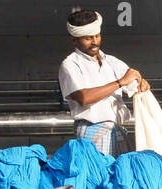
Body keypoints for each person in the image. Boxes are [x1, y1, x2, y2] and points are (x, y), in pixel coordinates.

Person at [58, 9, 150, 156]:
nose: (95, 42)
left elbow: (134, 83)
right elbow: (84, 97)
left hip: (118, 130)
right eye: (88, 38)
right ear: (74, 40)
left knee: (121, 176)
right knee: (98, 177)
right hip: (92, 131)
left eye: (97, 36)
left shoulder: (112, 62)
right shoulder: (70, 64)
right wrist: (120, 82)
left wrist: (141, 83)